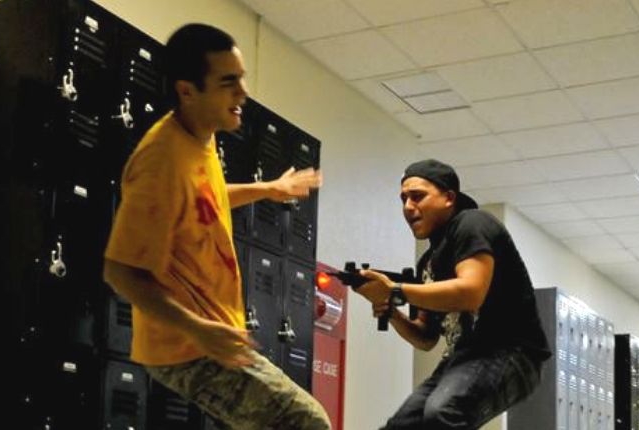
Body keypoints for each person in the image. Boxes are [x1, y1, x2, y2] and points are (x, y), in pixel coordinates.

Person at [102, 23, 330, 430]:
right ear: (187, 91)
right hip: (185, 347)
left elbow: (205, 198)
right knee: (306, 422)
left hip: (212, 334)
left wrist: (269, 189)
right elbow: (120, 271)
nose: (243, 93)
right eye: (228, 83)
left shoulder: (200, 138)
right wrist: (196, 328)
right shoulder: (159, 163)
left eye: (241, 79)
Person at [354, 159, 551, 429]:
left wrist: (396, 290)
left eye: (417, 196)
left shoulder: (472, 224)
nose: (408, 207)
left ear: (449, 198)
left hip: (511, 351)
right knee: (401, 426)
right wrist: (392, 311)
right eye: (403, 199)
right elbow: (426, 338)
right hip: (463, 356)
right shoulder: (428, 263)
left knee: (443, 412)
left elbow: (470, 293)